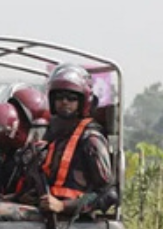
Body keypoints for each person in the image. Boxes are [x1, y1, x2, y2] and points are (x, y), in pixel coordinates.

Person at [27, 63, 117, 219]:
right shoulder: (54, 136)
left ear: (83, 102)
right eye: (59, 97)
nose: (65, 102)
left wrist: (63, 206)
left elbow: (108, 195)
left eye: (72, 98)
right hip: (45, 215)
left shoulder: (91, 140)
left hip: (74, 222)